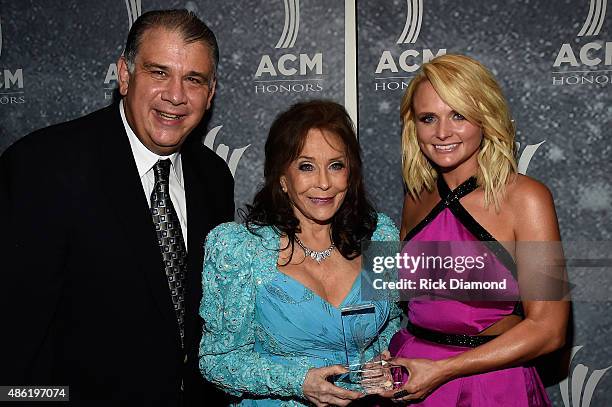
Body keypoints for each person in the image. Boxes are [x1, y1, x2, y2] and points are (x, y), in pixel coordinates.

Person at [0, 9, 234, 406]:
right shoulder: (43, 167)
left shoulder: (213, 177)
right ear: (125, 76)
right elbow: (13, 337)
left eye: (193, 79)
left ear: (210, 94)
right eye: (159, 72)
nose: (176, 95)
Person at [379, 54, 569, 406]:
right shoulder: (416, 197)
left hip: (490, 382)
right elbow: (409, 304)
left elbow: (550, 330)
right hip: (411, 372)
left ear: (485, 117)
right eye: (428, 118)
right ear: (413, 126)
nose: (442, 132)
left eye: (459, 115)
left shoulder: (526, 198)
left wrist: (446, 369)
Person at [198, 100, 401, 406]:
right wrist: (298, 381)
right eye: (306, 166)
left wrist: (382, 362)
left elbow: (393, 323)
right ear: (282, 178)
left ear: (351, 173)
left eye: (336, 165)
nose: (323, 182)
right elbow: (216, 361)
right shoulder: (239, 250)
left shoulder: (380, 236)